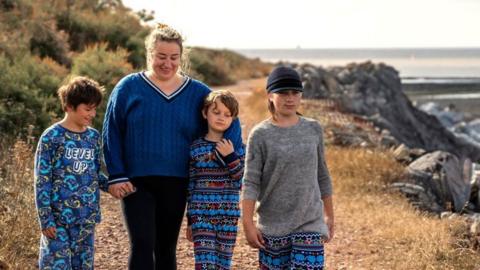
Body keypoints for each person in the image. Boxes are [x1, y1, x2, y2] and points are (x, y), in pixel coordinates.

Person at [102, 24, 242, 270]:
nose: (167, 63)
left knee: (165, 247)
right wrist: (116, 174)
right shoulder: (128, 87)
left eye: (173, 58)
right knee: (143, 244)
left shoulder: (197, 92)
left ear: (181, 58)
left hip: (178, 181)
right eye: (161, 56)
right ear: (150, 55)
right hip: (136, 181)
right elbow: (111, 130)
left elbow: (230, 118)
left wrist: (227, 155)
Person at [242, 66, 335, 269]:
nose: (290, 98)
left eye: (295, 92)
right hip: (273, 226)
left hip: (310, 222)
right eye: (283, 93)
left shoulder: (313, 129)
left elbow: (322, 174)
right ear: (270, 96)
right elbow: (250, 182)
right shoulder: (260, 134)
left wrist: (329, 215)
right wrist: (248, 224)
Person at [34, 76, 108, 269]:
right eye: (87, 108)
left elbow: (95, 174)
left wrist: (115, 185)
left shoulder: (93, 137)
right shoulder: (51, 137)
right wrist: (45, 218)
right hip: (58, 221)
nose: (92, 114)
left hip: (86, 219)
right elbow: (42, 181)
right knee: (56, 266)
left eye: (94, 109)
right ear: (69, 106)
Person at [185, 90, 245, 269]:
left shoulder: (238, 148)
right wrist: (189, 220)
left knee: (223, 264)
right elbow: (191, 185)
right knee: (204, 264)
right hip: (201, 214)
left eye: (227, 115)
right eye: (216, 112)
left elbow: (241, 179)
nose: (221, 117)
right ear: (205, 113)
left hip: (228, 215)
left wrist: (230, 157)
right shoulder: (195, 147)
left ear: (233, 119)